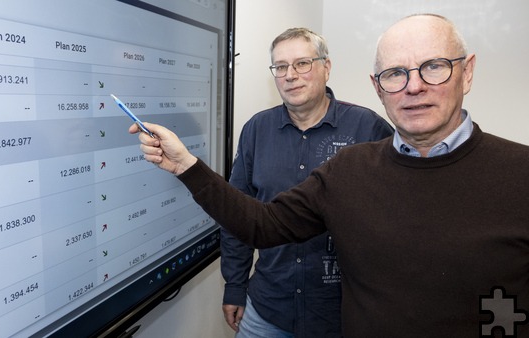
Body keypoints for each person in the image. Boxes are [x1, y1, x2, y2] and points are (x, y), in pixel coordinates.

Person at [130, 14, 529, 337]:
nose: (414, 86)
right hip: (272, 306)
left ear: (467, 72)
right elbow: (260, 223)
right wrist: (186, 165)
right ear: (378, 86)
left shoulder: (518, 174)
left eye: (434, 67)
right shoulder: (350, 167)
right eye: (395, 73)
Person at [220, 27, 393, 338]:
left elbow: (397, 218)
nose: (290, 75)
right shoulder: (257, 130)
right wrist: (234, 285)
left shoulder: (367, 128)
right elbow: (237, 213)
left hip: (340, 313)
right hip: (268, 308)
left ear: (326, 67)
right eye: (281, 67)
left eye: (302, 63)